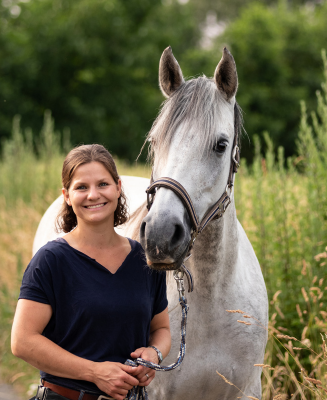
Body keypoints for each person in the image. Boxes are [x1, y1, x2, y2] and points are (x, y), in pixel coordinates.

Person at [11, 144, 171, 400]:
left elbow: (161, 329)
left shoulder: (145, 260)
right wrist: (95, 372)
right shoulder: (51, 260)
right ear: (66, 195)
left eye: (103, 184)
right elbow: (22, 341)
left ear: (118, 187)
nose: (93, 195)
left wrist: (154, 353)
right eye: (81, 187)